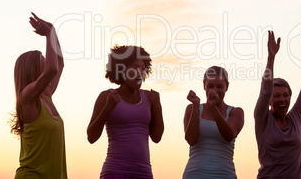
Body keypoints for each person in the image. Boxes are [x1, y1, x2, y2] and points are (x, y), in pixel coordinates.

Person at [87, 45, 164, 179]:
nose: (140, 72)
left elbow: (157, 137)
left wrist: (157, 106)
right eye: (135, 67)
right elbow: (91, 137)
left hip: (144, 173)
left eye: (143, 68)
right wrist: (107, 108)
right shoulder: (107, 97)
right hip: (115, 171)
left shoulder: (149, 98)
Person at [254, 22, 301, 178]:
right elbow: (265, 91)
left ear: (290, 97)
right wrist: (271, 58)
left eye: (285, 95)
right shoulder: (263, 119)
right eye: (276, 96)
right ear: (269, 101)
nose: (282, 99)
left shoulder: (296, 117)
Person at [11, 13, 67, 178]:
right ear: (33, 67)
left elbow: (59, 63)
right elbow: (52, 69)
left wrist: (52, 30)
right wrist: (48, 35)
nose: (47, 58)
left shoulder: (46, 96)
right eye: (43, 57)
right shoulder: (27, 96)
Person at [183, 66, 244, 179]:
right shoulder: (191, 108)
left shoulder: (236, 112)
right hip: (194, 174)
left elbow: (229, 136)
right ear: (204, 86)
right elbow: (191, 140)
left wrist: (213, 109)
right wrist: (196, 106)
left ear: (227, 87)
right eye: (210, 86)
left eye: (219, 86)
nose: (214, 90)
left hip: (224, 174)